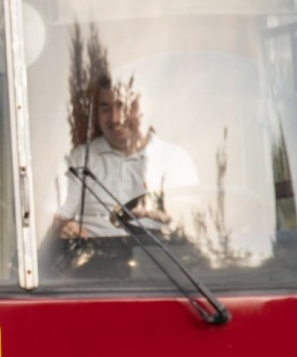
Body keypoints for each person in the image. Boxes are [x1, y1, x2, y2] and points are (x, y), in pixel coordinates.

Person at [53, 73, 197, 277]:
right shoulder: (80, 158)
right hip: (92, 274)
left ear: (148, 109)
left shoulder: (174, 159)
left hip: (162, 276)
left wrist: (163, 218)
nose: (115, 119)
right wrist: (67, 228)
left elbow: (190, 233)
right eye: (105, 108)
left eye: (124, 106)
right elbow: (57, 219)